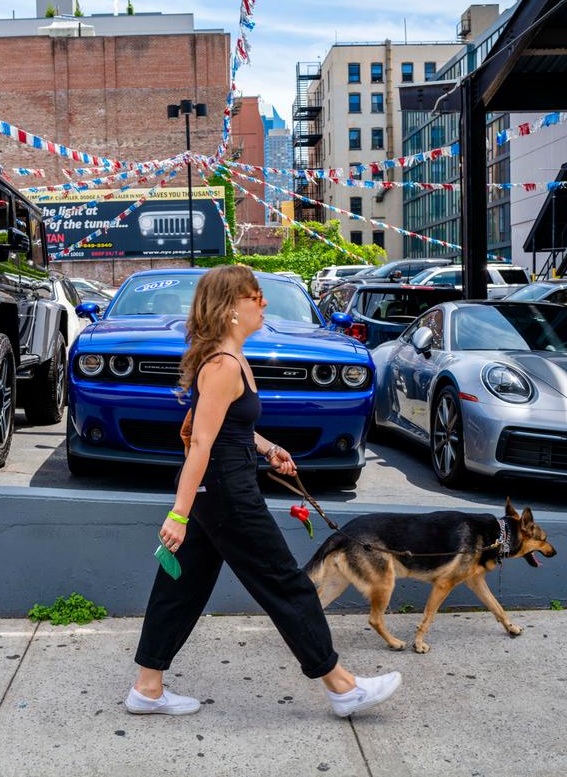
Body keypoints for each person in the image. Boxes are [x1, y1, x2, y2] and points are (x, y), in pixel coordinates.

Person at [126, 264, 402, 718]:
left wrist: (268, 446)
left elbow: (230, 427)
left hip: (218, 488)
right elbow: (200, 440)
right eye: (257, 297)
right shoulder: (222, 365)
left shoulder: (230, 359)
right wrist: (178, 513)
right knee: (284, 582)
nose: (264, 303)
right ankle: (342, 686)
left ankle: (147, 687)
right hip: (225, 493)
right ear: (233, 307)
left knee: (181, 586)